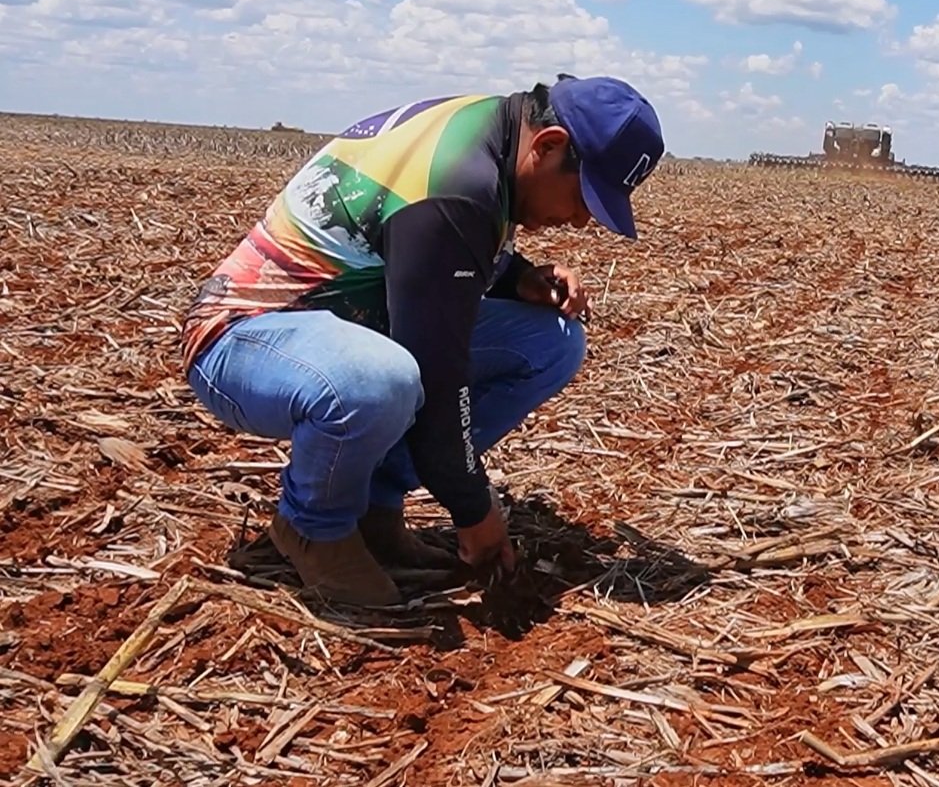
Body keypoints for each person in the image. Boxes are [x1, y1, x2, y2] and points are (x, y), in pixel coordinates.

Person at [178, 75, 664, 606]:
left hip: (354, 325)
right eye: (583, 197)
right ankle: (313, 526)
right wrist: (474, 510)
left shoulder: (494, 130)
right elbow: (438, 372)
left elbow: (413, 247)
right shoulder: (458, 182)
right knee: (381, 380)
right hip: (245, 339)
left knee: (551, 340)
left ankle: (375, 504)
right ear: (548, 146)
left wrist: (515, 274)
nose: (581, 220)